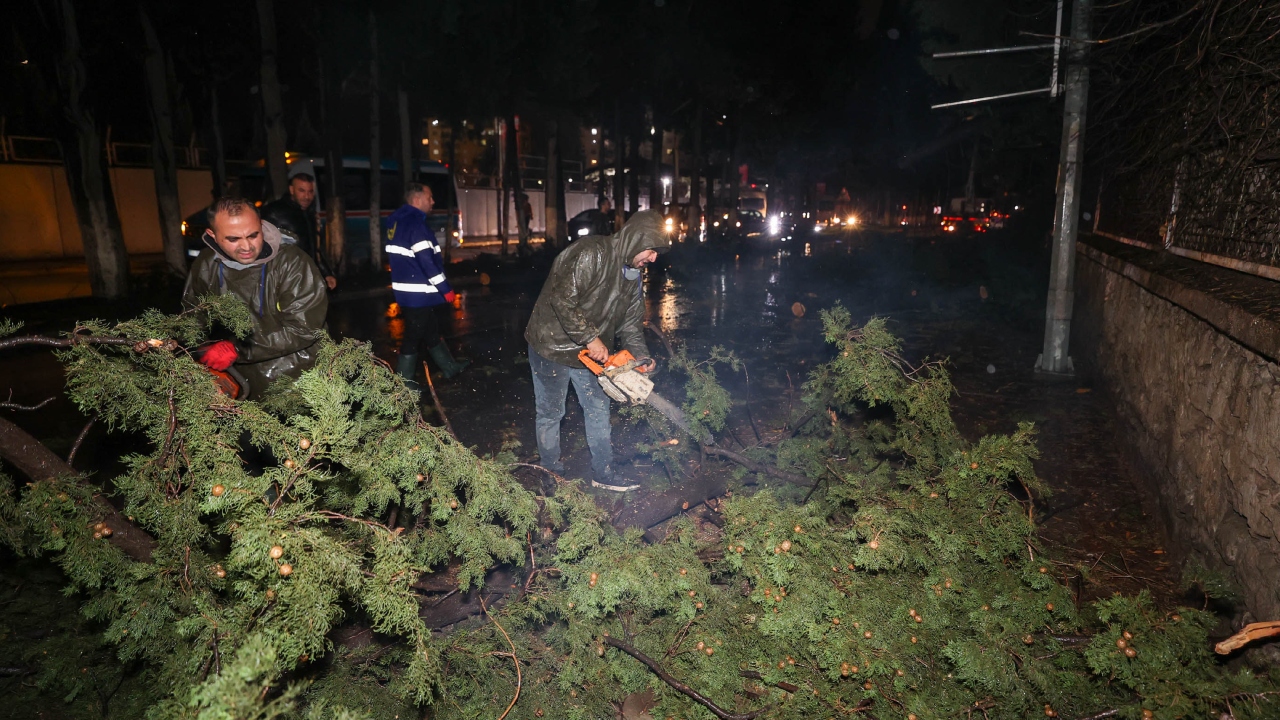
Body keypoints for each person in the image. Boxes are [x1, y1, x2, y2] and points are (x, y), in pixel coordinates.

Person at [524, 210, 671, 491]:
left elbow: (630, 324)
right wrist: (591, 338)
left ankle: (603, 472)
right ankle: (551, 473)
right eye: (652, 251)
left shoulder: (632, 275)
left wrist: (640, 358)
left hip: (591, 355)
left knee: (598, 409)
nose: (653, 259)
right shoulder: (592, 252)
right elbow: (561, 298)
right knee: (550, 412)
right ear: (636, 239)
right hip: (551, 343)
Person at [183, 197, 329, 399]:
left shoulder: (292, 263)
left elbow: (303, 330)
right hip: (235, 381)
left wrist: (237, 349)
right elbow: (192, 316)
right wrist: (198, 349)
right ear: (213, 236)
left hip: (295, 380)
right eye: (233, 239)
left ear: (261, 227)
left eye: (253, 235)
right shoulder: (206, 264)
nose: (246, 247)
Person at [387, 183, 469, 387]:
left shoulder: (397, 222)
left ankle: (449, 367)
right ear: (417, 200)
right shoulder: (416, 225)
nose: (433, 202)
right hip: (418, 293)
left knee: (430, 329)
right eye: (429, 197)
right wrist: (445, 289)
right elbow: (427, 261)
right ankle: (403, 385)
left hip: (406, 290)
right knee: (413, 336)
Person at [261, 173, 338, 289]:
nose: (307, 196)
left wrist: (326, 273)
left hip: (306, 277)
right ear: (292, 190)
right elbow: (262, 248)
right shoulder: (275, 212)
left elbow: (314, 249)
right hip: (284, 279)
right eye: (302, 190)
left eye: (310, 191)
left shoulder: (309, 215)